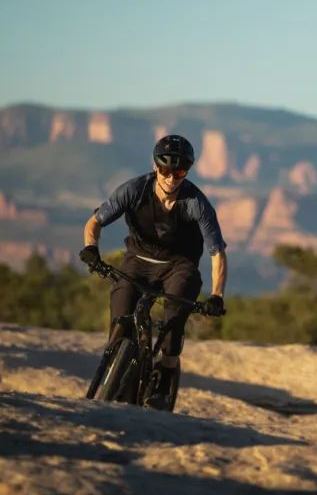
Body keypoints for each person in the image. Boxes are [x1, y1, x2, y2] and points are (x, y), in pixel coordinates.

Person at [79, 134, 227, 411]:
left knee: (173, 321)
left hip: (179, 266)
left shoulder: (197, 203)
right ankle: (117, 370)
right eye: (166, 169)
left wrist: (217, 295)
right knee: (120, 320)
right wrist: (91, 248)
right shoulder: (134, 190)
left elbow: (217, 253)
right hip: (138, 261)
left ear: (187, 171)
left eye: (180, 170)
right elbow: (94, 222)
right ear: (156, 166)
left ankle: (164, 376)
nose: (171, 177)